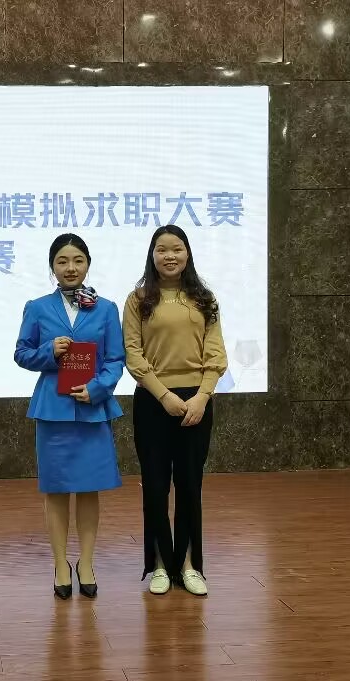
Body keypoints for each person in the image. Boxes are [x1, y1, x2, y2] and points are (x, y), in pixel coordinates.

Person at [14, 233, 125, 599]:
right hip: (54, 411)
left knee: (90, 489)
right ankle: (61, 563)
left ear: (88, 264)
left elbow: (115, 359)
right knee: (57, 488)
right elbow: (22, 353)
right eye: (62, 261)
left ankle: (86, 562)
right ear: (52, 267)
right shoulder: (37, 307)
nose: (71, 267)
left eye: (78, 260)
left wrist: (98, 387)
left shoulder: (106, 308)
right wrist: (49, 351)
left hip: (92, 408)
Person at [123, 224, 227, 597]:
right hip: (153, 401)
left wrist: (202, 396)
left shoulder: (204, 299)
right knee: (155, 486)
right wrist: (163, 395)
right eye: (162, 250)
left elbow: (215, 353)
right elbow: (132, 353)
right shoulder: (138, 299)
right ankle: (159, 565)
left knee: (189, 486)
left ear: (187, 254)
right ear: (152, 255)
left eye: (177, 249)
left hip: (197, 403)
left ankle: (188, 565)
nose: (170, 256)